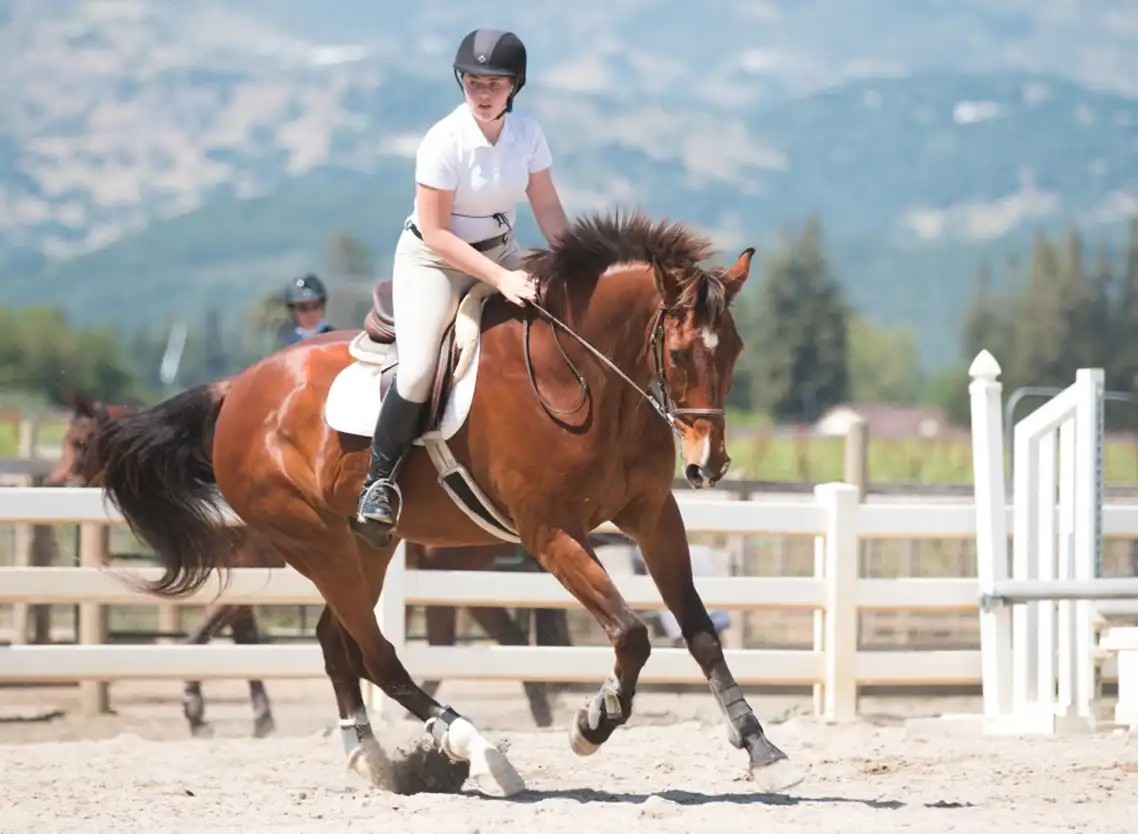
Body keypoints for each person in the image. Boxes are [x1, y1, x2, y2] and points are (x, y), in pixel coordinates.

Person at [356, 27, 571, 530]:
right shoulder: (442, 141)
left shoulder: (528, 135)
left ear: (514, 86)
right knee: (416, 370)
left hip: (502, 251)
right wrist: (503, 279)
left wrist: (576, 262)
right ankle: (378, 482)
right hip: (433, 261)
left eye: (494, 83)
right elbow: (436, 232)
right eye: (473, 81)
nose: (482, 92)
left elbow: (548, 208)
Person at [283, 273, 335, 346]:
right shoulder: (285, 345)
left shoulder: (336, 340)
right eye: (302, 308)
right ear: (292, 311)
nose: (310, 313)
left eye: (316, 306)